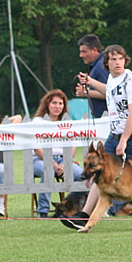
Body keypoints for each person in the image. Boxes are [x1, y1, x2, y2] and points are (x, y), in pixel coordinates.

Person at [63, 44, 132, 229]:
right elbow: (108, 90)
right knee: (100, 173)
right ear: (107, 63)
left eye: (120, 58)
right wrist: (89, 81)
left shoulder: (131, 80)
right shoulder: (112, 79)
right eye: (113, 59)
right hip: (115, 135)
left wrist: (124, 140)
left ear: (125, 60)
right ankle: (84, 216)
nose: (117, 62)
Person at [31, 89, 84, 218]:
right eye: (54, 103)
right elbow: (37, 149)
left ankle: (75, 208)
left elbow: (72, 147)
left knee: (83, 176)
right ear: (47, 104)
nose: (57, 106)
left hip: (63, 160)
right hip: (40, 160)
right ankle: (43, 211)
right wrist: (53, 164)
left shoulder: (67, 123)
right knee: (48, 171)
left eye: (60, 103)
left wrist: (65, 164)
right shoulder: (38, 122)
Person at [75, 34, 108, 119]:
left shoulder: (101, 66)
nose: (81, 55)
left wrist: (86, 93)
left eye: (84, 51)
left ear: (94, 50)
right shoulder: (99, 64)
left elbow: (109, 93)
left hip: (106, 119)